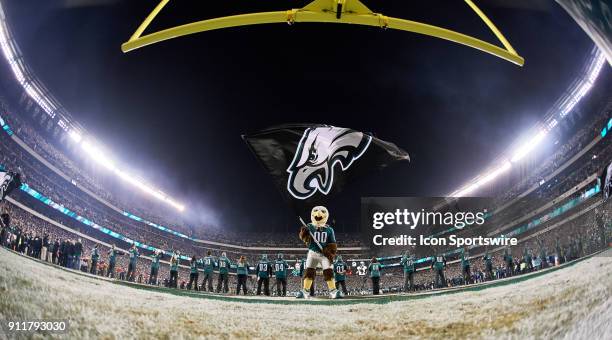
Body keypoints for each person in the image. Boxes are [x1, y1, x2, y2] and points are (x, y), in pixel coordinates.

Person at [296, 206, 341, 299]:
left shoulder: (329, 229)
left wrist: (328, 250)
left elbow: (333, 244)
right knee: (309, 272)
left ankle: (333, 291)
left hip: (324, 255)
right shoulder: (309, 227)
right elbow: (303, 238)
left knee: (328, 272)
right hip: (312, 253)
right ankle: (305, 291)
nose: (318, 214)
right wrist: (304, 232)